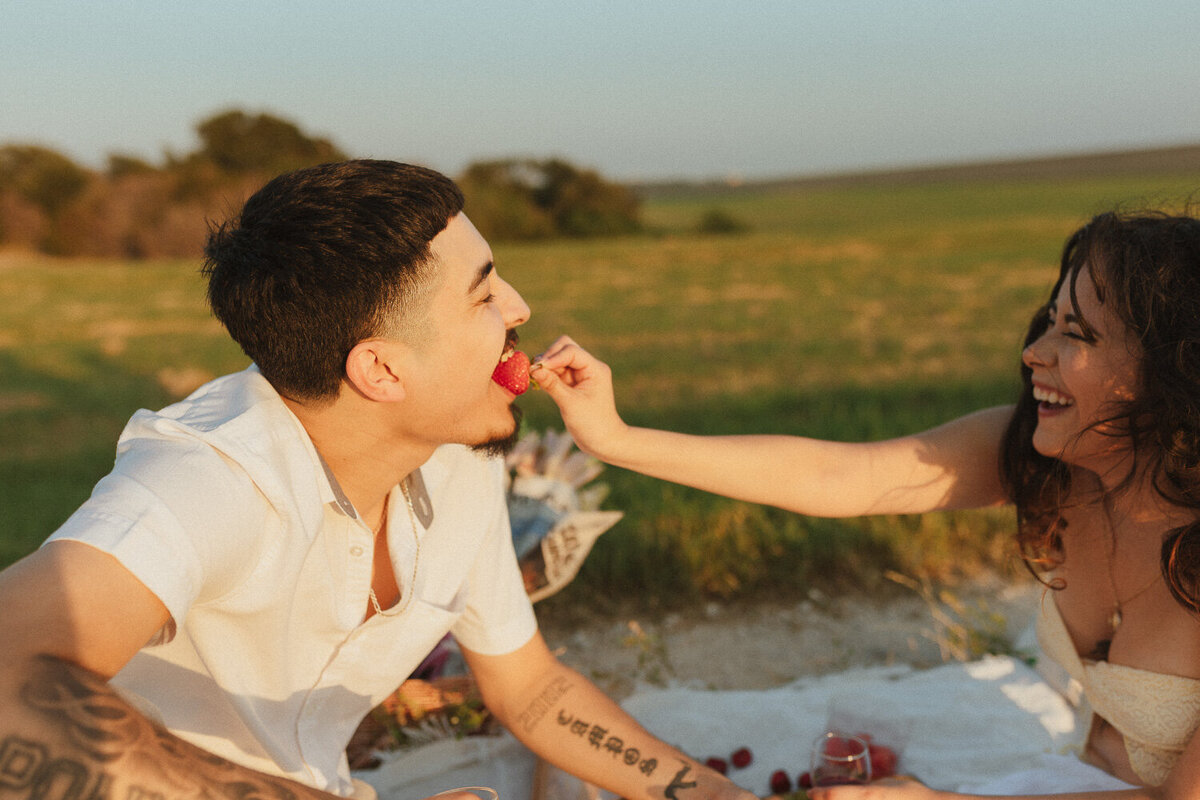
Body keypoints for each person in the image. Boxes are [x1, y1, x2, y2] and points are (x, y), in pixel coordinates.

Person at [0, 160, 756, 800]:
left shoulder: (455, 455)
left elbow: (531, 689)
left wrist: (713, 794)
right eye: (485, 294)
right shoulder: (210, 477)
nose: (519, 309)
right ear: (383, 370)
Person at [533, 207, 1200, 799]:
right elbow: (840, 477)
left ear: (1169, 369)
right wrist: (616, 440)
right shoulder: (1048, 459)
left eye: (1077, 335)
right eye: (1049, 321)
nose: (1034, 353)